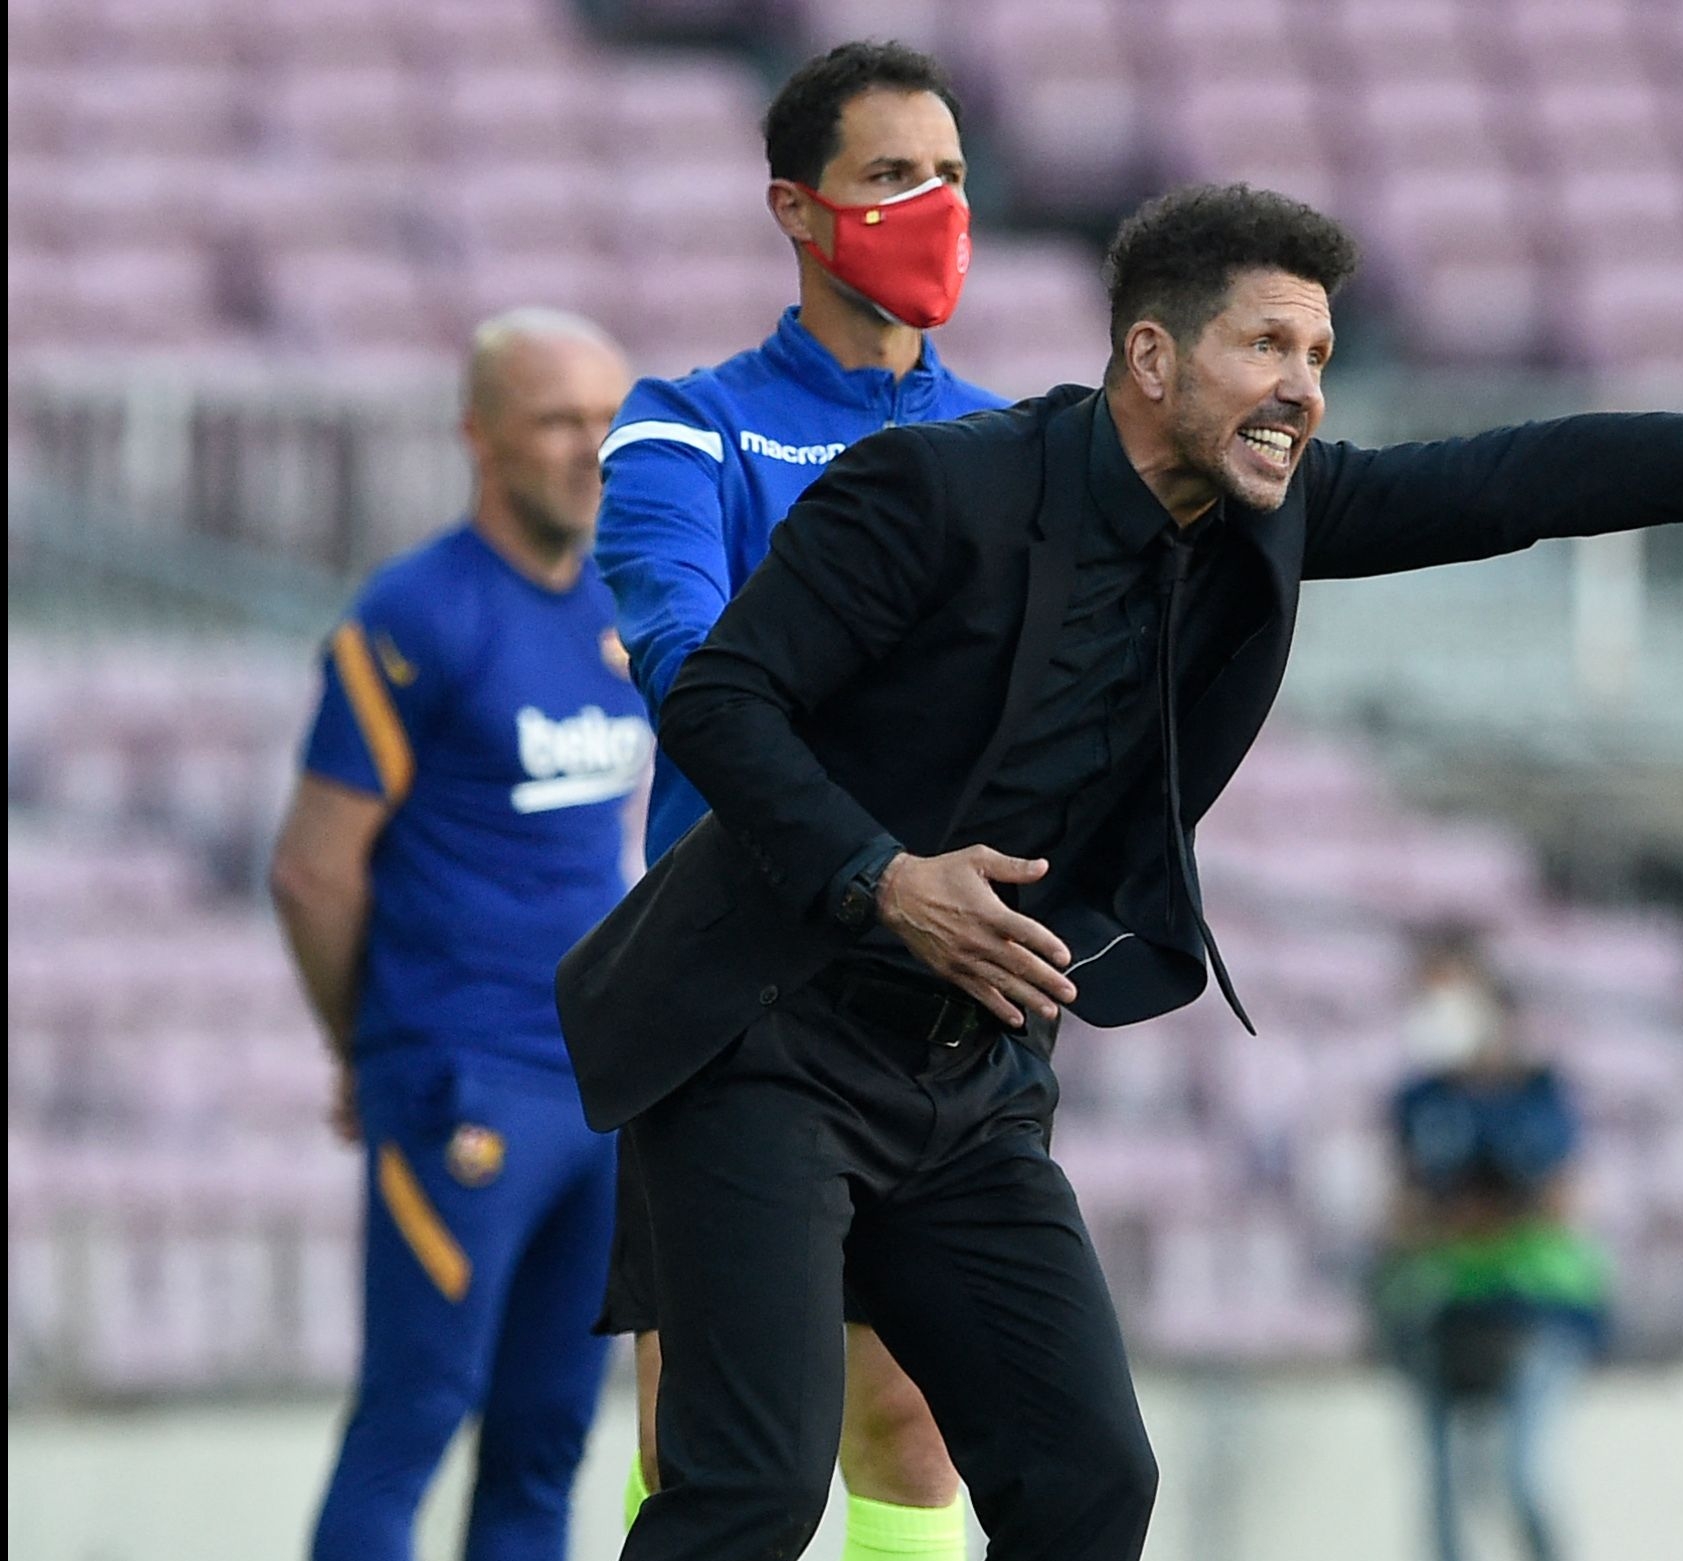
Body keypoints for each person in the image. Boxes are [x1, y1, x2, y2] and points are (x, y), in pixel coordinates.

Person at [555, 180, 1683, 1555]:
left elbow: (1520, 478)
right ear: (1151, 357)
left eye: (1321, 350)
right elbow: (716, 701)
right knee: (749, 1486)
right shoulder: (933, 490)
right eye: (1268, 343)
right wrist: (887, 876)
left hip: (966, 1079)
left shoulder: (1267, 518)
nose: (1303, 386)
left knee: (1089, 1478)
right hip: (766, 1034)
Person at [587, 40, 1005, 1556]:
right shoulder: (680, 423)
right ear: (796, 207)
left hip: (920, 996)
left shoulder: (1010, 445)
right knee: (706, 1424)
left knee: (908, 1415)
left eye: (951, 174)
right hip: (726, 992)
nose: (933, 205)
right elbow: (692, 668)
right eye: (893, 176)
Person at [270, 309, 641, 1561]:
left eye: (607, 418)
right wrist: (369, 1050)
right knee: (414, 1417)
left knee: (547, 1442)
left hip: (599, 1092)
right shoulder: (412, 615)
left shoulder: (624, 601)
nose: (592, 446)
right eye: (557, 419)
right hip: (461, 1080)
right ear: (479, 436)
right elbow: (313, 873)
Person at [1378, 934, 1607, 1561]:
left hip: (1536, 1310)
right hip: (1443, 1311)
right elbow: (1399, 1213)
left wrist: (1468, 1210)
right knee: (1444, 1490)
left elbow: (1561, 1203)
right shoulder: (1417, 1101)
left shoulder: (1540, 1093)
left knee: (1521, 1476)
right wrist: (1483, 1209)